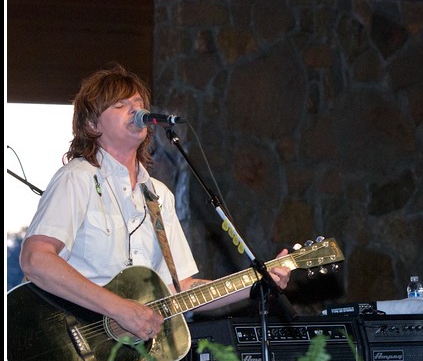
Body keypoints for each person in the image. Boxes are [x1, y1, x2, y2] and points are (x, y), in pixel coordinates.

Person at [19, 63, 291, 344]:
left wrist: (255, 283)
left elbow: (181, 289)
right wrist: (119, 308)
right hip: (77, 346)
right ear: (91, 124)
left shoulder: (158, 195)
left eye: (138, 102)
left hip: (145, 358)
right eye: (120, 105)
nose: (136, 110)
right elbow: (35, 260)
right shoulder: (77, 179)